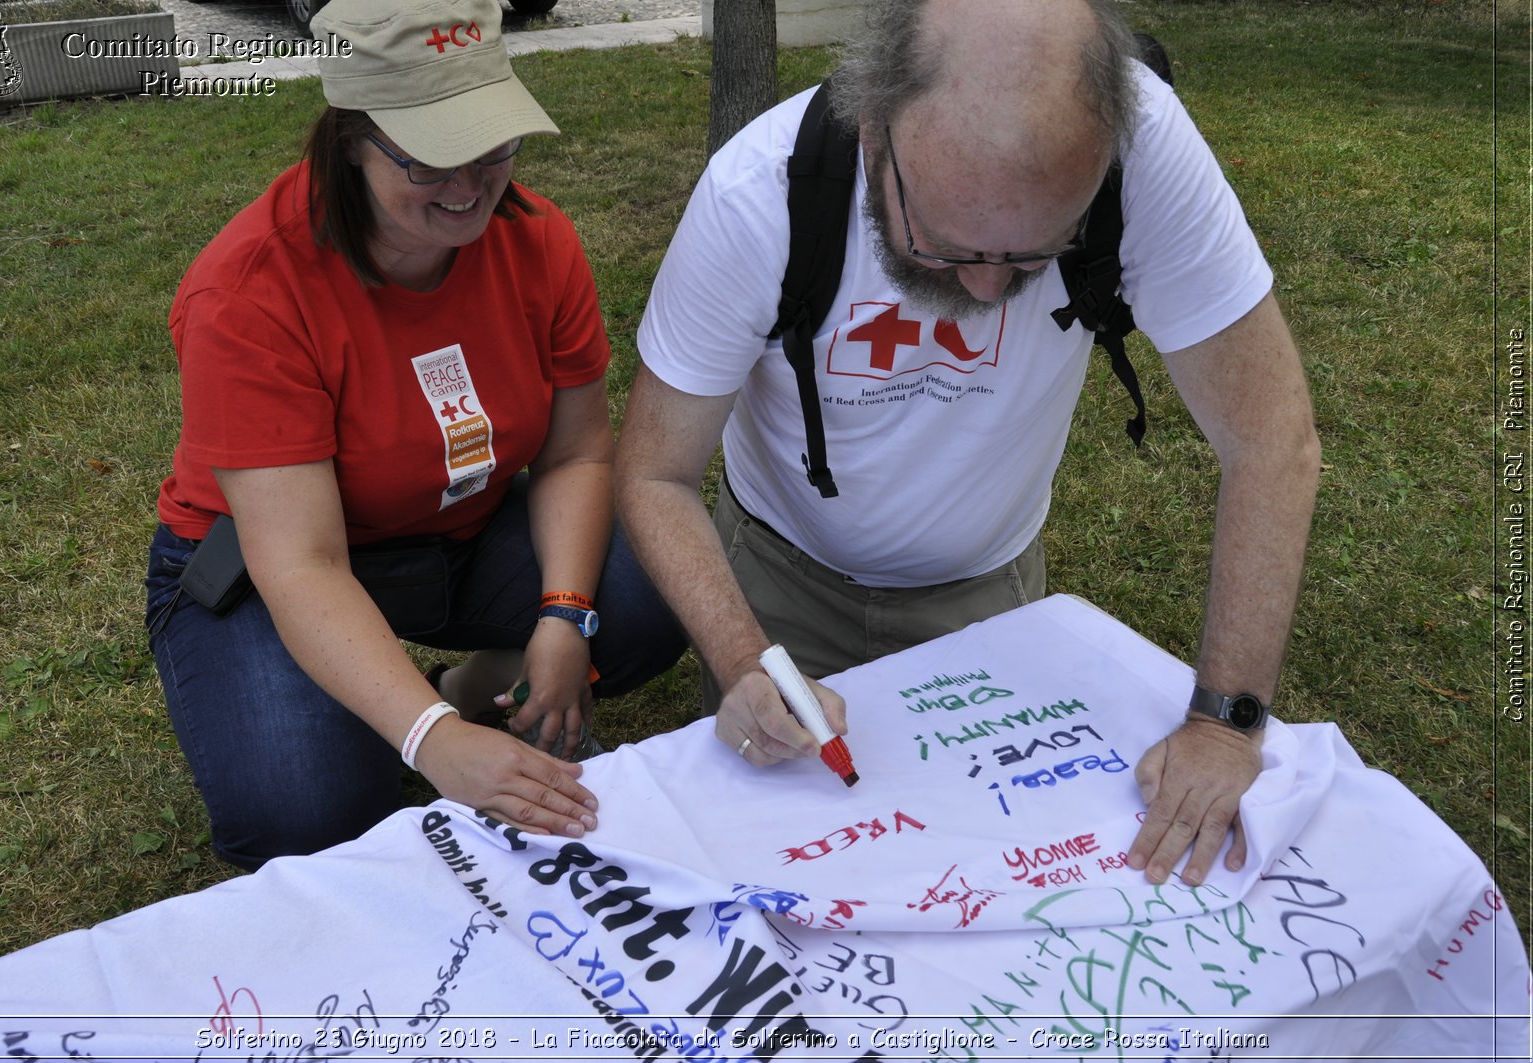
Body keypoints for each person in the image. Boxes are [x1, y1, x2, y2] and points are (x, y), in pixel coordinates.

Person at [615, 0, 1320, 887]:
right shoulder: (757, 195)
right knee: (797, 875)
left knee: (992, 868)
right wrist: (744, 659)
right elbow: (655, 470)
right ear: (875, 131)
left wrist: (1226, 722)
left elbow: (1270, 438)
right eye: (946, 248)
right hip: (780, 581)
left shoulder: (1145, 151)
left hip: (991, 591)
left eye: (1034, 256)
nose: (988, 290)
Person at [145, 0, 684, 870]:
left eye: (495, 144)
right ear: (353, 139)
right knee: (311, 813)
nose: (470, 184)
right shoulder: (250, 293)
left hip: (457, 526)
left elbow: (579, 452)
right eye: (431, 157)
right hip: (269, 563)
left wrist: (565, 613)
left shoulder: (540, 241)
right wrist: (430, 742)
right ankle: (413, 713)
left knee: (650, 593)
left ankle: (469, 688)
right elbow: (303, 563)